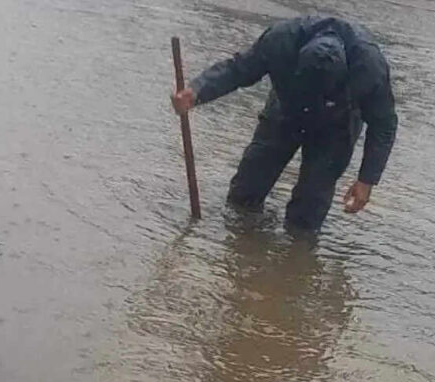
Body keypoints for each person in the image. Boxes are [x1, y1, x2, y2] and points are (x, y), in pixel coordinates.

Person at [171, 16, 398, 232]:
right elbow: (238, 69)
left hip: (336, 127)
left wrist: (367, 179)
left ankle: (299, 251)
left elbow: (384, 125)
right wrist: (197, 91)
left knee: (309, 210)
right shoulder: (281, 41)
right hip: (286, 110)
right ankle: (243, 246)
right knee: (245, 191)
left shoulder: (370, 68)